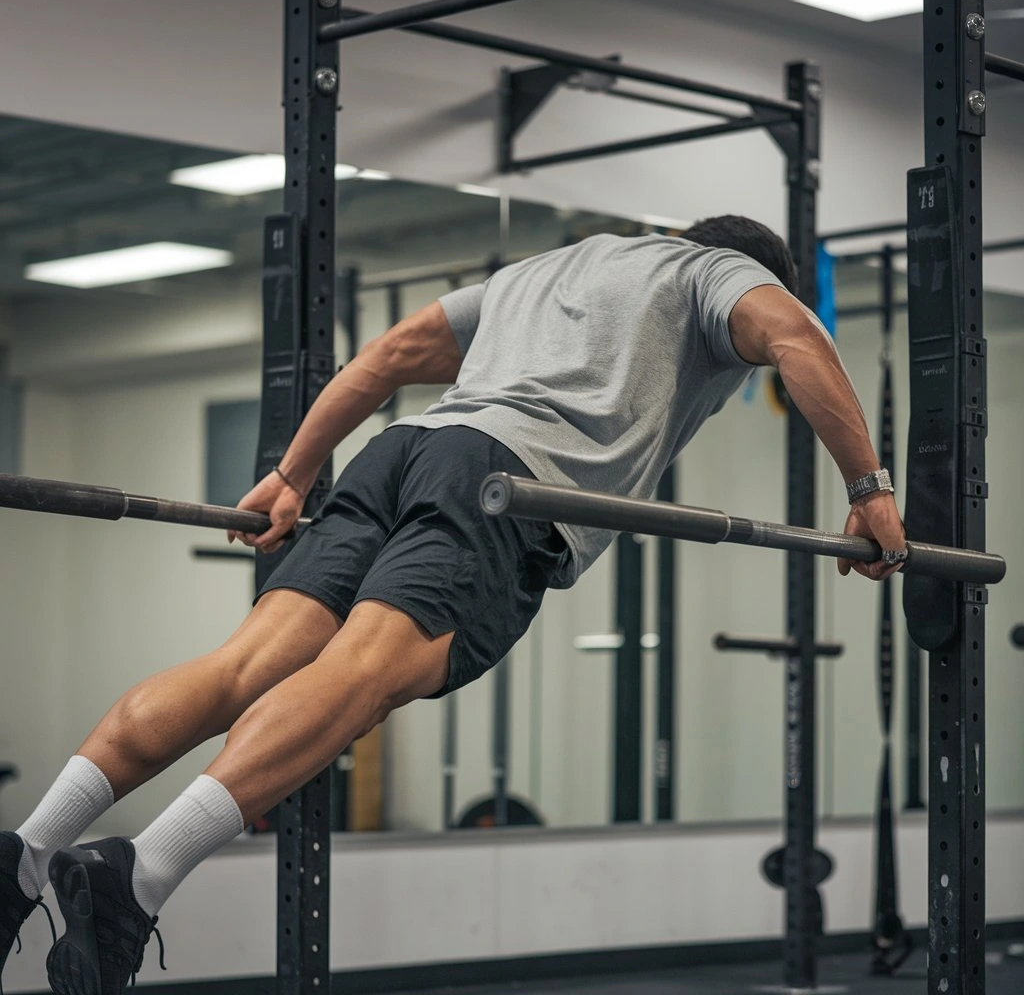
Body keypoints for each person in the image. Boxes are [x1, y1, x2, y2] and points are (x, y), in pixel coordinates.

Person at [0, 216, 905, 994]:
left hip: (400, 451)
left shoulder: (553, 268)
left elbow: (391, 356)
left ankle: (28, 851)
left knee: (239, 666)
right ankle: (140, 874)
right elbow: (797, 337)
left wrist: (291, 473)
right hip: (500, 481)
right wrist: (869, 489)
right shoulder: (719, 275)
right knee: (365, 677)